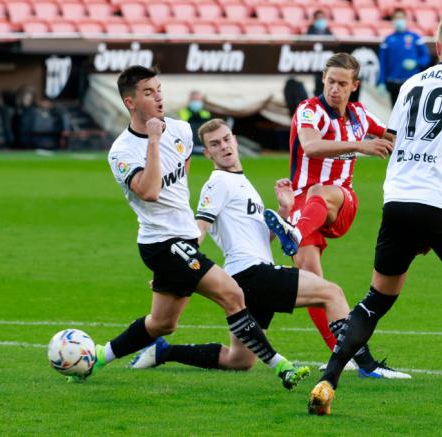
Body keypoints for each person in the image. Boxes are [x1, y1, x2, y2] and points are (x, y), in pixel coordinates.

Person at [307, 13, 442, 428]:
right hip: (441, 201)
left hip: (398, 199)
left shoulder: (410, 85)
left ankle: (327, 381)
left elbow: (392, 142)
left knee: (376, 299)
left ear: (437, 48)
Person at [128, 119, 409, 380]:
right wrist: (176, 268)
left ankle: (163, 351)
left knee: (239, 359)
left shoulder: (240, 182)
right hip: (251, 274)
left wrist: (285, 211)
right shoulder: (218, 182)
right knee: (331, 293)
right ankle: (366, 365)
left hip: (246, 277)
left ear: (235, 140)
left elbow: (261, 239)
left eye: (226, 140)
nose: (223, 146)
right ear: (208, 154)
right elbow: (198, 227)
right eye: (215, 144)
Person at [89, 65, 310, 391]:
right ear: (130, 102)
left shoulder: (181, 130)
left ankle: (97, 357)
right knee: (233, 294)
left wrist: (184, 252)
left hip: (182, 242)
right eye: (148, 93)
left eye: (159, 89)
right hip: (160, 242)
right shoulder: (122, 151)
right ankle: (282, 367)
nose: (159, 97)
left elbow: (181, 181)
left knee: (163, 323)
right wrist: (152, 140)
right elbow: (150, 190)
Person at [263, 53, 395, 359]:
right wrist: (360, 145)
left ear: (354, 86)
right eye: (330, 81)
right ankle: (347, 355)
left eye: (342, 83)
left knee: (321, 190)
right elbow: (310, 145)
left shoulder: (361, 115)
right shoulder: (308, 111)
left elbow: (393, 138)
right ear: (323, 79)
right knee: (314, 283)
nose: (334, 88)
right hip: (302, 206)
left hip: (340, 203)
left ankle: (292, 234)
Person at [378, 9, 431, 106]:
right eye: (396, 18)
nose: (399, 21)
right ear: (392, 21)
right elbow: (382, 62)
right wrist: (381, 81)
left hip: (411, 82)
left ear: (406, 19)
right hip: (393, 83)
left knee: (411, 112)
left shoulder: (415, 38)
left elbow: (426, 57)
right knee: (396, 111)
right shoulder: (387, 40)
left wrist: (416, 62)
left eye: (401, 18)